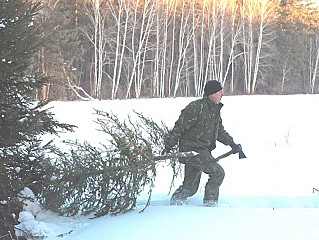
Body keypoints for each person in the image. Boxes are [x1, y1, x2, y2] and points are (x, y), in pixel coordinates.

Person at [162, 80, 241, 207]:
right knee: (218, 173)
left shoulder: (214, 110)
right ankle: (210, 204)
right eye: (220, 91)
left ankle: (177, 201)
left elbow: (219, 131)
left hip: (203, 151)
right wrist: (168, 146)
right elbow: (179, 128)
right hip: (192, 151)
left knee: (191, 187)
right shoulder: (196, 108)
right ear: (212, 94)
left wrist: (232, 144)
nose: (222, 94)